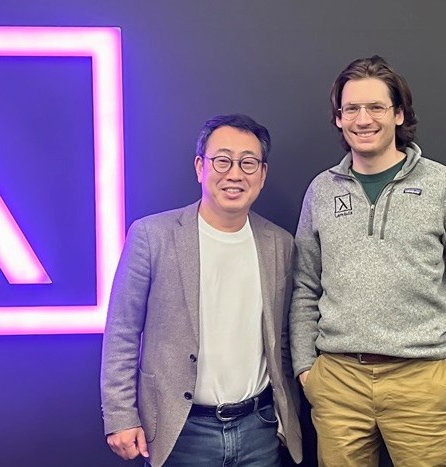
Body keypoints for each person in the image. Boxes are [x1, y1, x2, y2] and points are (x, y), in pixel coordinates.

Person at [290, 55, 446, 466]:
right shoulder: (322, 190)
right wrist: (306, 371)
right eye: (351, 108)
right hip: (338, 382)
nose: (362, 119)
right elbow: (304, 286)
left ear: (399, 114)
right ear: (338, 118)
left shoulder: (440, 184)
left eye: (375, 107)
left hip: (420, 381)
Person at [101, 114, 303, 466]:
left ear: (262, 173)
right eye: (222, 161)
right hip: (181, 430)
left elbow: (282, 339)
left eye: (248, 163)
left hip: (260, 427)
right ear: (200, 167)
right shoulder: (153, 236)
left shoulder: (280, 244)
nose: (235, 174)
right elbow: (122, 331)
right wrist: (120, 415)